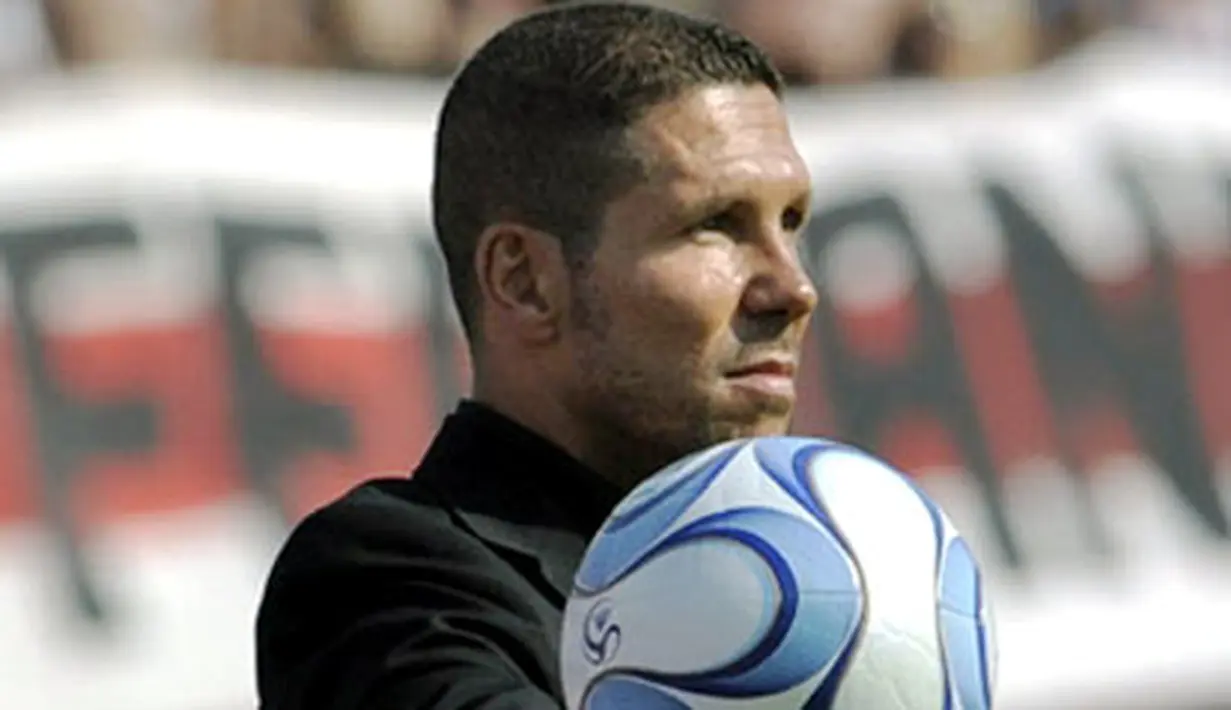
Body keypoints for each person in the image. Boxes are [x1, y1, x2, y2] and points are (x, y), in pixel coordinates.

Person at [255, 3, 818, 708]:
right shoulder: (380, 585)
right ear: (523, 282)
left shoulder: (832, 574)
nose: (793, 287)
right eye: (715, 225)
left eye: (791, 222)